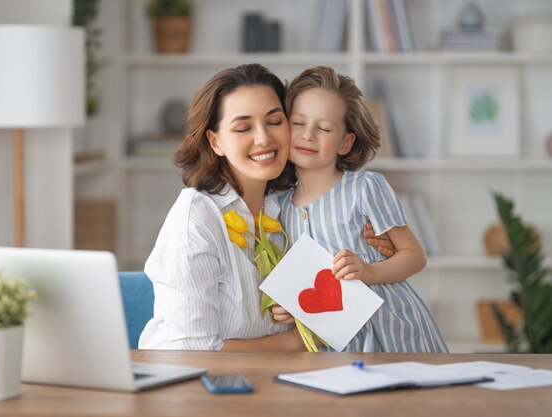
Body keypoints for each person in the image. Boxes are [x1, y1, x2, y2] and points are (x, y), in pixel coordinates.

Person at [139, 63, 392, 351]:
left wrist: (373, 244)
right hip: (197, 389)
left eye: (274, 121)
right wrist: (297, 340)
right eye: (243, 127)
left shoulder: (286, 207)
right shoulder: (196, 221)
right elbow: (194, 354)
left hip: (279, 382)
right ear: (215, 141)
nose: (263, 138)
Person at [273, 66, 448, 352]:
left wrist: (369, 272)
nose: (308, 135)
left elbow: (414, 256)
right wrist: (288, 306)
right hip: (331, 345)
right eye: (298, 123)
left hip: (391, 334)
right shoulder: (278, 207)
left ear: (345, 142)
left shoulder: (366, 187)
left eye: (325, 128)